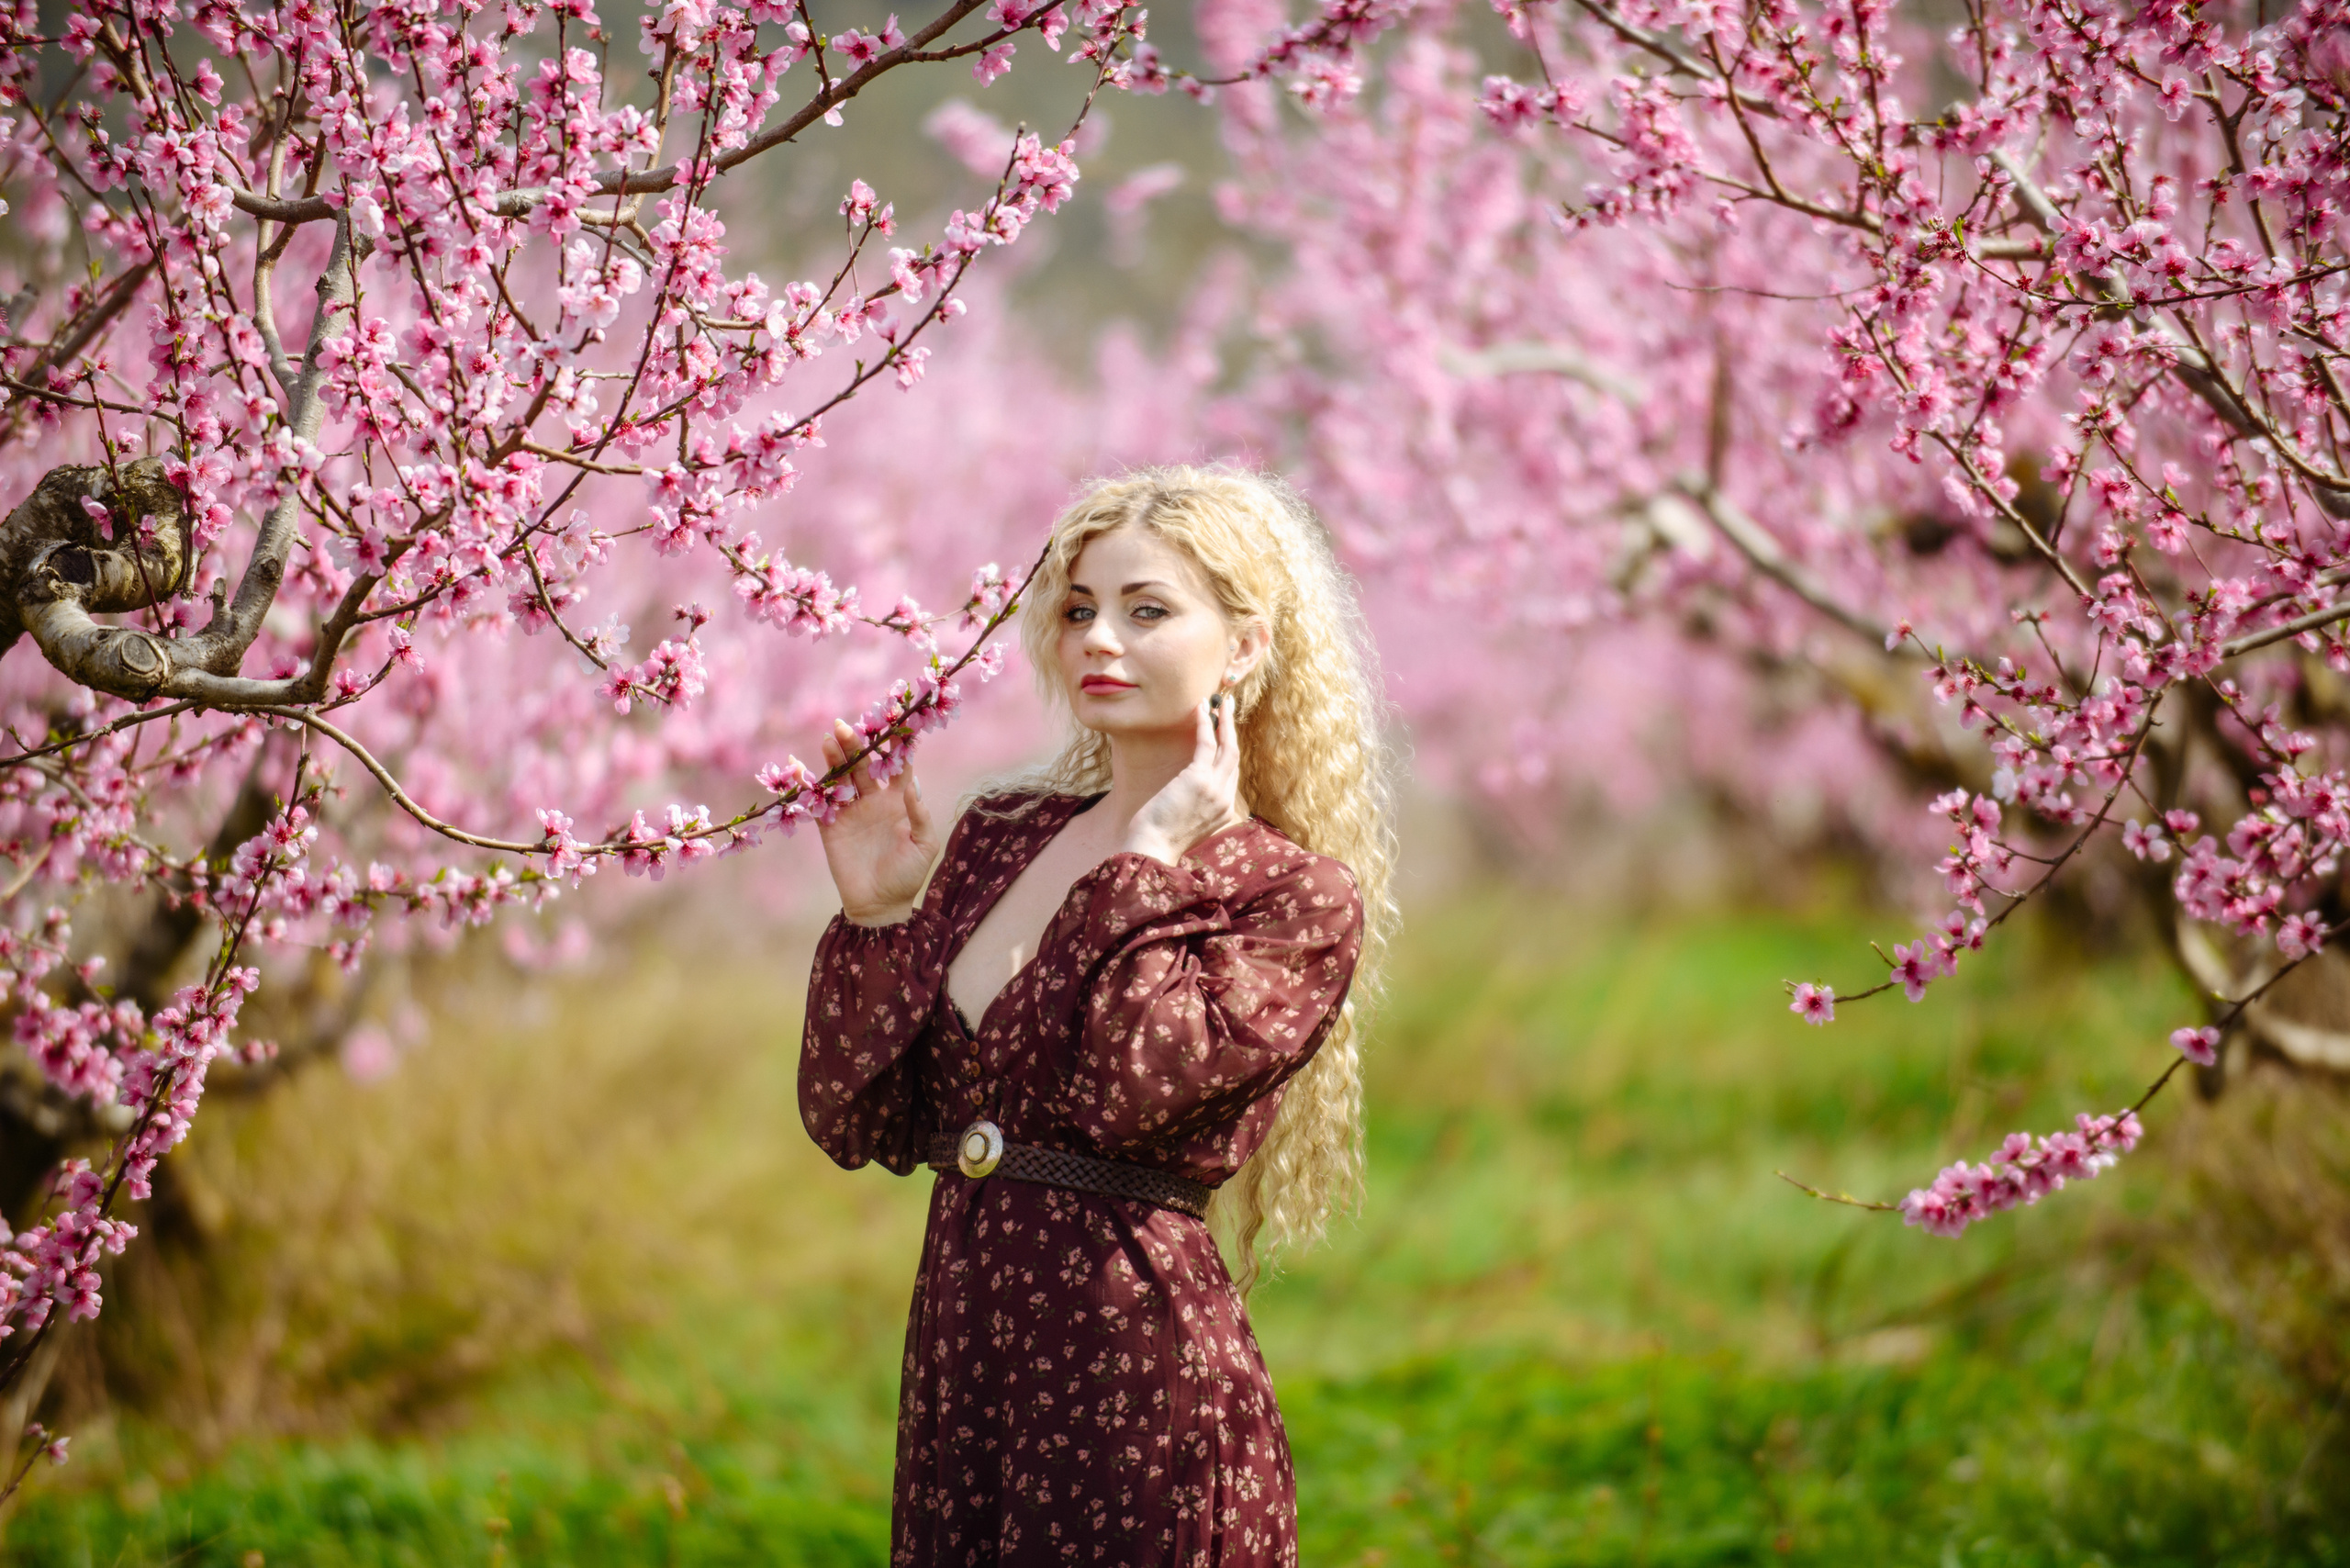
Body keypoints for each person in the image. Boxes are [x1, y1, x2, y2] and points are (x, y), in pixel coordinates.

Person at [801, 465, 1394, 1567]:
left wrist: (1147, 868)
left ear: (1247, 644)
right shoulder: (1000, 834)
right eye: (1078, 609)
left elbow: (1128, 1094)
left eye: (1146, 608)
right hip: (963, 1363)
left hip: (1134, 1373)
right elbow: (860, 1119)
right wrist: (880, 917)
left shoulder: (1289, 896)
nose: (1097, 639)